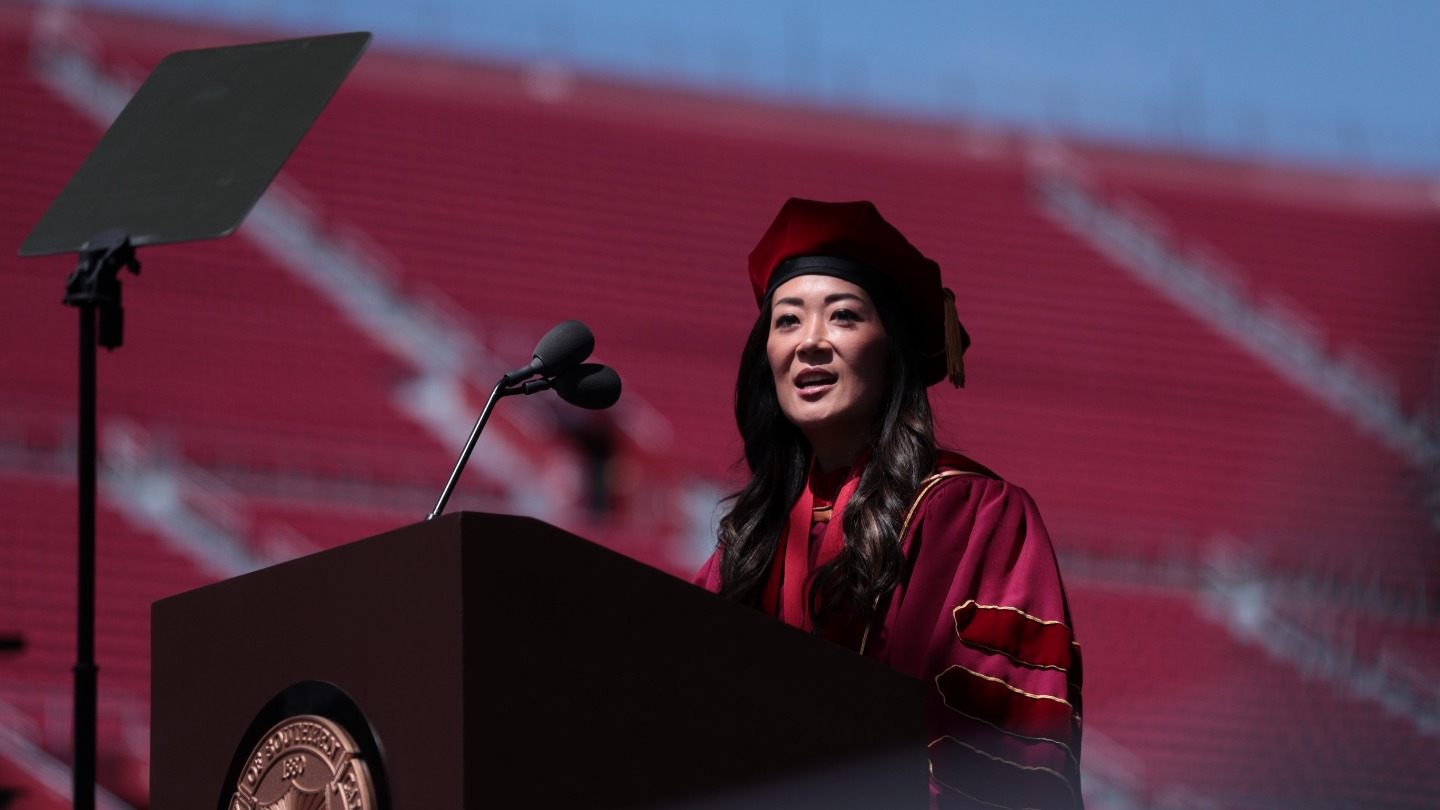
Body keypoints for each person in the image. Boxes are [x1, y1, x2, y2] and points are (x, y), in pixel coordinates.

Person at [692, 198, 1084, 809]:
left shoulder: (973, 516)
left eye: (843, 316)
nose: (810, 343)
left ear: (890, 348)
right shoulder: (747, 544)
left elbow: (1004, 754)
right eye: (787, 321)